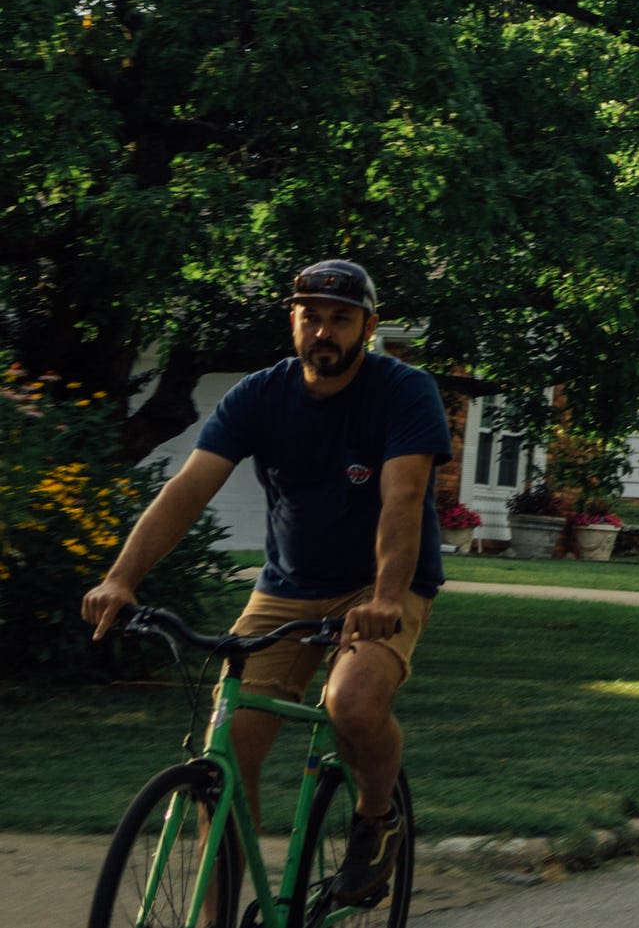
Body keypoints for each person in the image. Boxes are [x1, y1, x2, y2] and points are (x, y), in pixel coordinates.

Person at [84, 259, 444, 906]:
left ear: (368, 325)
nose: (324, 332)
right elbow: (188, 488)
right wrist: (121, 577)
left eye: (340, 318)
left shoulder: (404, 391)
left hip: (380, 584)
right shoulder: (259, 394)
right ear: (293, 320)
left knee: (353, 702)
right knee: (228, 754)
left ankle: (376, 817)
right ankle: (219, 913)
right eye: (311, 317)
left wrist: (387, 595)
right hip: (286, 585)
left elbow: (403, 497)